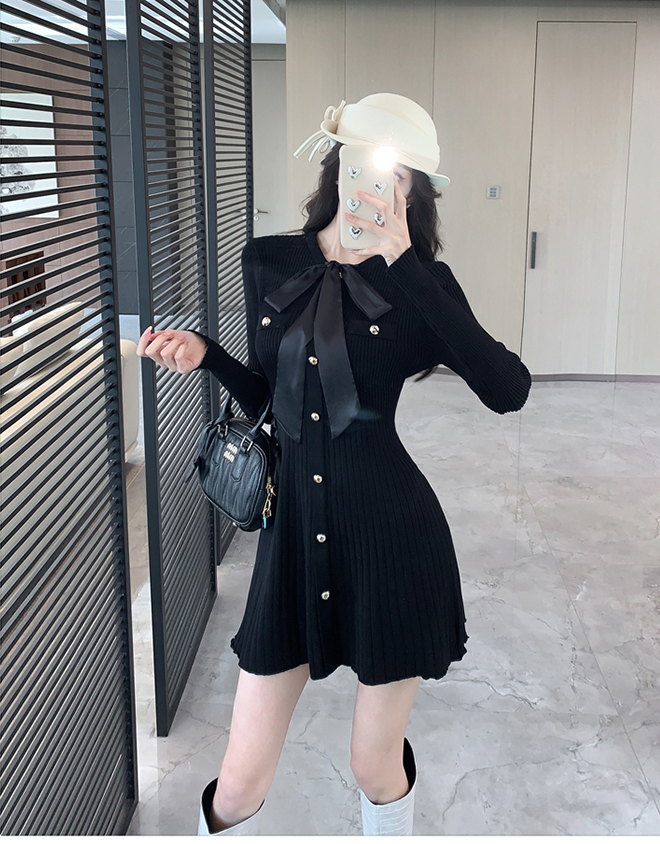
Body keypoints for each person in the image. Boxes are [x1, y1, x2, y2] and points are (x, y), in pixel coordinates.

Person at [137, 92, 532, 836]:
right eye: (366, 167)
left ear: (414, 194)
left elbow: (508, 389)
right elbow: (275, 400)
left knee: (372, 764)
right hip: (291, 541)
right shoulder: (270, 261)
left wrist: (407, 267)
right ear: (337, 167)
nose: (378, 189)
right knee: (238, 783)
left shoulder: (421, 286)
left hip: (391, 540)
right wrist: (209, 356)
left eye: (398, 178)